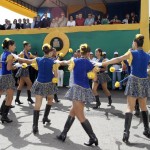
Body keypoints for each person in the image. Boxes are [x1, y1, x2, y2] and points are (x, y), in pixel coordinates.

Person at [95, 34, 150, 142]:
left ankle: (126, 132)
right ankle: (147, 130)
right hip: (144, 81)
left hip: (134, 80)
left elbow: (118, 59)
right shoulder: (147, 55)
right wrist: (146, 72)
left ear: (135, 43)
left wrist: (104, 62)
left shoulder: (132, 53)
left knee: (130, 107)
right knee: (144, 107)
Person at [56, 43, 98, 146]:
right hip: (85, 90)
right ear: (88, 53)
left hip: (77, 89)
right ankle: (63, 134)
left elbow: (64, 62)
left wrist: (57, 61)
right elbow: (95, 79)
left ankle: (93, 137)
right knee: (72, 111)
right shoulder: (91, 64)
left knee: (80, 116)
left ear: (80, 52)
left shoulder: (74, 60)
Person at [12, 44, 58, 134]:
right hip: (49, 83)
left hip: (39, 83)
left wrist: (16, 57)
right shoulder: (54, 62)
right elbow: (56, 75)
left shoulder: (37, 59)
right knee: (50, 99)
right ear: (51, 52)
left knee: (38, 103)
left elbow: (27, 61)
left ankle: (35, 126)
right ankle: (45, 117)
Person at [0, 38, 16, 123]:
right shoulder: (9, 54)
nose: (15, 47)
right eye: (14, 45)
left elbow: (1, 66)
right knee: (10, 97)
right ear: (10, 46)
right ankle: (4, 116)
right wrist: (15, 66)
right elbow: (9, 68)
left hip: (2, 76)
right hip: (8, 77)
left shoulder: (3, 54)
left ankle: (2, 112)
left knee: (6, 96)